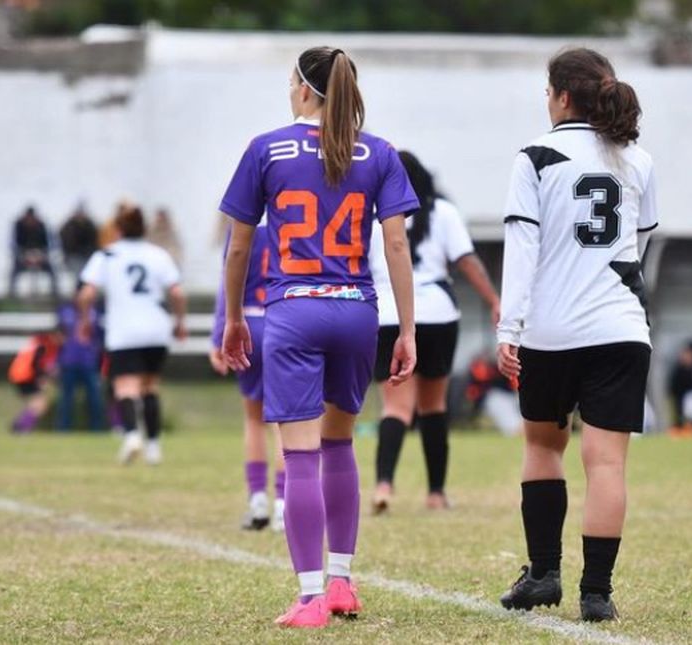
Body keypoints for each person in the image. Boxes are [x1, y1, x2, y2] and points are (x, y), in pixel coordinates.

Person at [219, 47, 418, 629]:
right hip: (357, 311)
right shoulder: (379, 152)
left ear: (305, 90)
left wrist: (234, 317)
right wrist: (406, 328)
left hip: (293, 311)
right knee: (340, 446)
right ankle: (342, 582)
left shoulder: (266, 149)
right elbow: (398, 246)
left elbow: (238, 247)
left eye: (290, 83)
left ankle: (309, 598)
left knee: (299, 456)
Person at [496, 48, 657, 623]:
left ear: (563, 96)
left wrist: (508, 326)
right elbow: (639, 245)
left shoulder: (535, 156)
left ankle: (542, 576)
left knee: (543, 447)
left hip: (550, 330)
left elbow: (523, 249)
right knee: (607, 464)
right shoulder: (636, 160)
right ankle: (597, 594)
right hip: (621, 328)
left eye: (548, 90)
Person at [369, 151, 501, 514]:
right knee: (433, 406)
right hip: (437, 313)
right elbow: (466, 260)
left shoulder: (372, 215)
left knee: (395, 407)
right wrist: (493, 299)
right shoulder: (443, 212)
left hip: (387, 312)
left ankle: (383, 484)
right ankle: (436, 492)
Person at [77, 206, 187, 465]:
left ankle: (131, 435)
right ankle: (154, 447)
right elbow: (178, 293)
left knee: (125, 387)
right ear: (144, 228)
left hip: (124, 330)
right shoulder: (157, 254)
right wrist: (179, 322)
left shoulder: (107, 255)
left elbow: (87, 294)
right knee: (150, 386)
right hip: (156, 329)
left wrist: (84, 321)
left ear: (118, 229)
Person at [210, 223, 287, 533]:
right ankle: (284, 504)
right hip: (287, 323)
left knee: (254, 420)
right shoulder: (293, 216)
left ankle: (258, 501)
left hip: (250, 323)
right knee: (286, 423)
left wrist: (218, 336)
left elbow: (227, 284)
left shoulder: (243, 226)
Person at [55, 288, 105, 431]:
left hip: (89, 361)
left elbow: (100, 338)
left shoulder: (96, 312)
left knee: (94, 398)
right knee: (66, 399)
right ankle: (63, 429)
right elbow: (58, 334)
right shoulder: (65, 311)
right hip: (69, 361)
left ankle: (96, 429)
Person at [8, 328, 64, 433]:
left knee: (38, 403)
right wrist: (41, 377)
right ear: (56, 335)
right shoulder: (43, 344)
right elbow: (36, 362)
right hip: (24, 375)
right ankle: (20, 427)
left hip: (19, 374)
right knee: (40, 404)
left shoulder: (41, 341)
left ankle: (19, 426)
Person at [8, 206, 58, 300]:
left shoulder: (41, 225)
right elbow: (15, 244)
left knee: (52, 271)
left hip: (40, 255)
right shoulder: (19, 225)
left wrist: (41, 254)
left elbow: (47, 244)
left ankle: (55, 295)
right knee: (14, 272)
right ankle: (11, 295)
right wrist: (23, 255)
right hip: (23, 255)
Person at [59, 203, 99, 277]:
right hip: (73, 255)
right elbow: (68, 245)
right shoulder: (69, 227)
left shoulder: (90, 226)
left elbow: (94, 243)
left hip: (87, 255)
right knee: (78, 269)